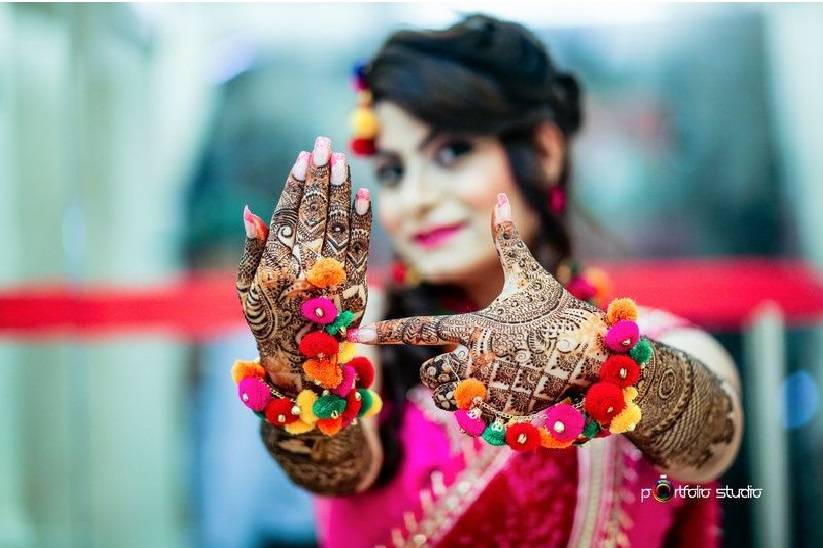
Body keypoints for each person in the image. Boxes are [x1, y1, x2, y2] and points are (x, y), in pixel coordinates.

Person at [235, 15, 743, 547]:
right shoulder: (366, 337)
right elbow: (331, 473)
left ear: (544, 152)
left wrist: (599, 361)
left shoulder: (652, 340)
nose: (416, 199)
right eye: (392, 171)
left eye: (451, 153)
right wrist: (297, 369)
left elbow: (712, 441)